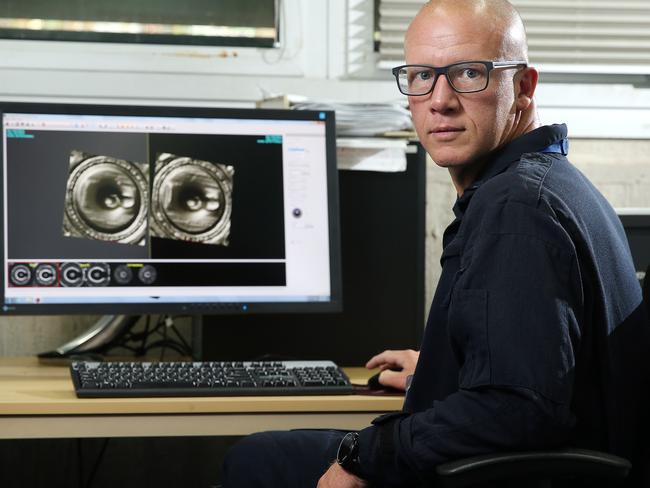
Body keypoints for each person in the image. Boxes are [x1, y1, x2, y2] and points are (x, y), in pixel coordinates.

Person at [220, 1, 650, 487]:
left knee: (259, 460)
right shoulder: (550, 185)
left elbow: (517, 410)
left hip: (512, 476)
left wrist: (363, 456)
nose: (440, 99)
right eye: (422, 76)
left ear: (524, 88)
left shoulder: (517, 209)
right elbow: (544, 365)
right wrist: (441, 371)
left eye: (469, 73)